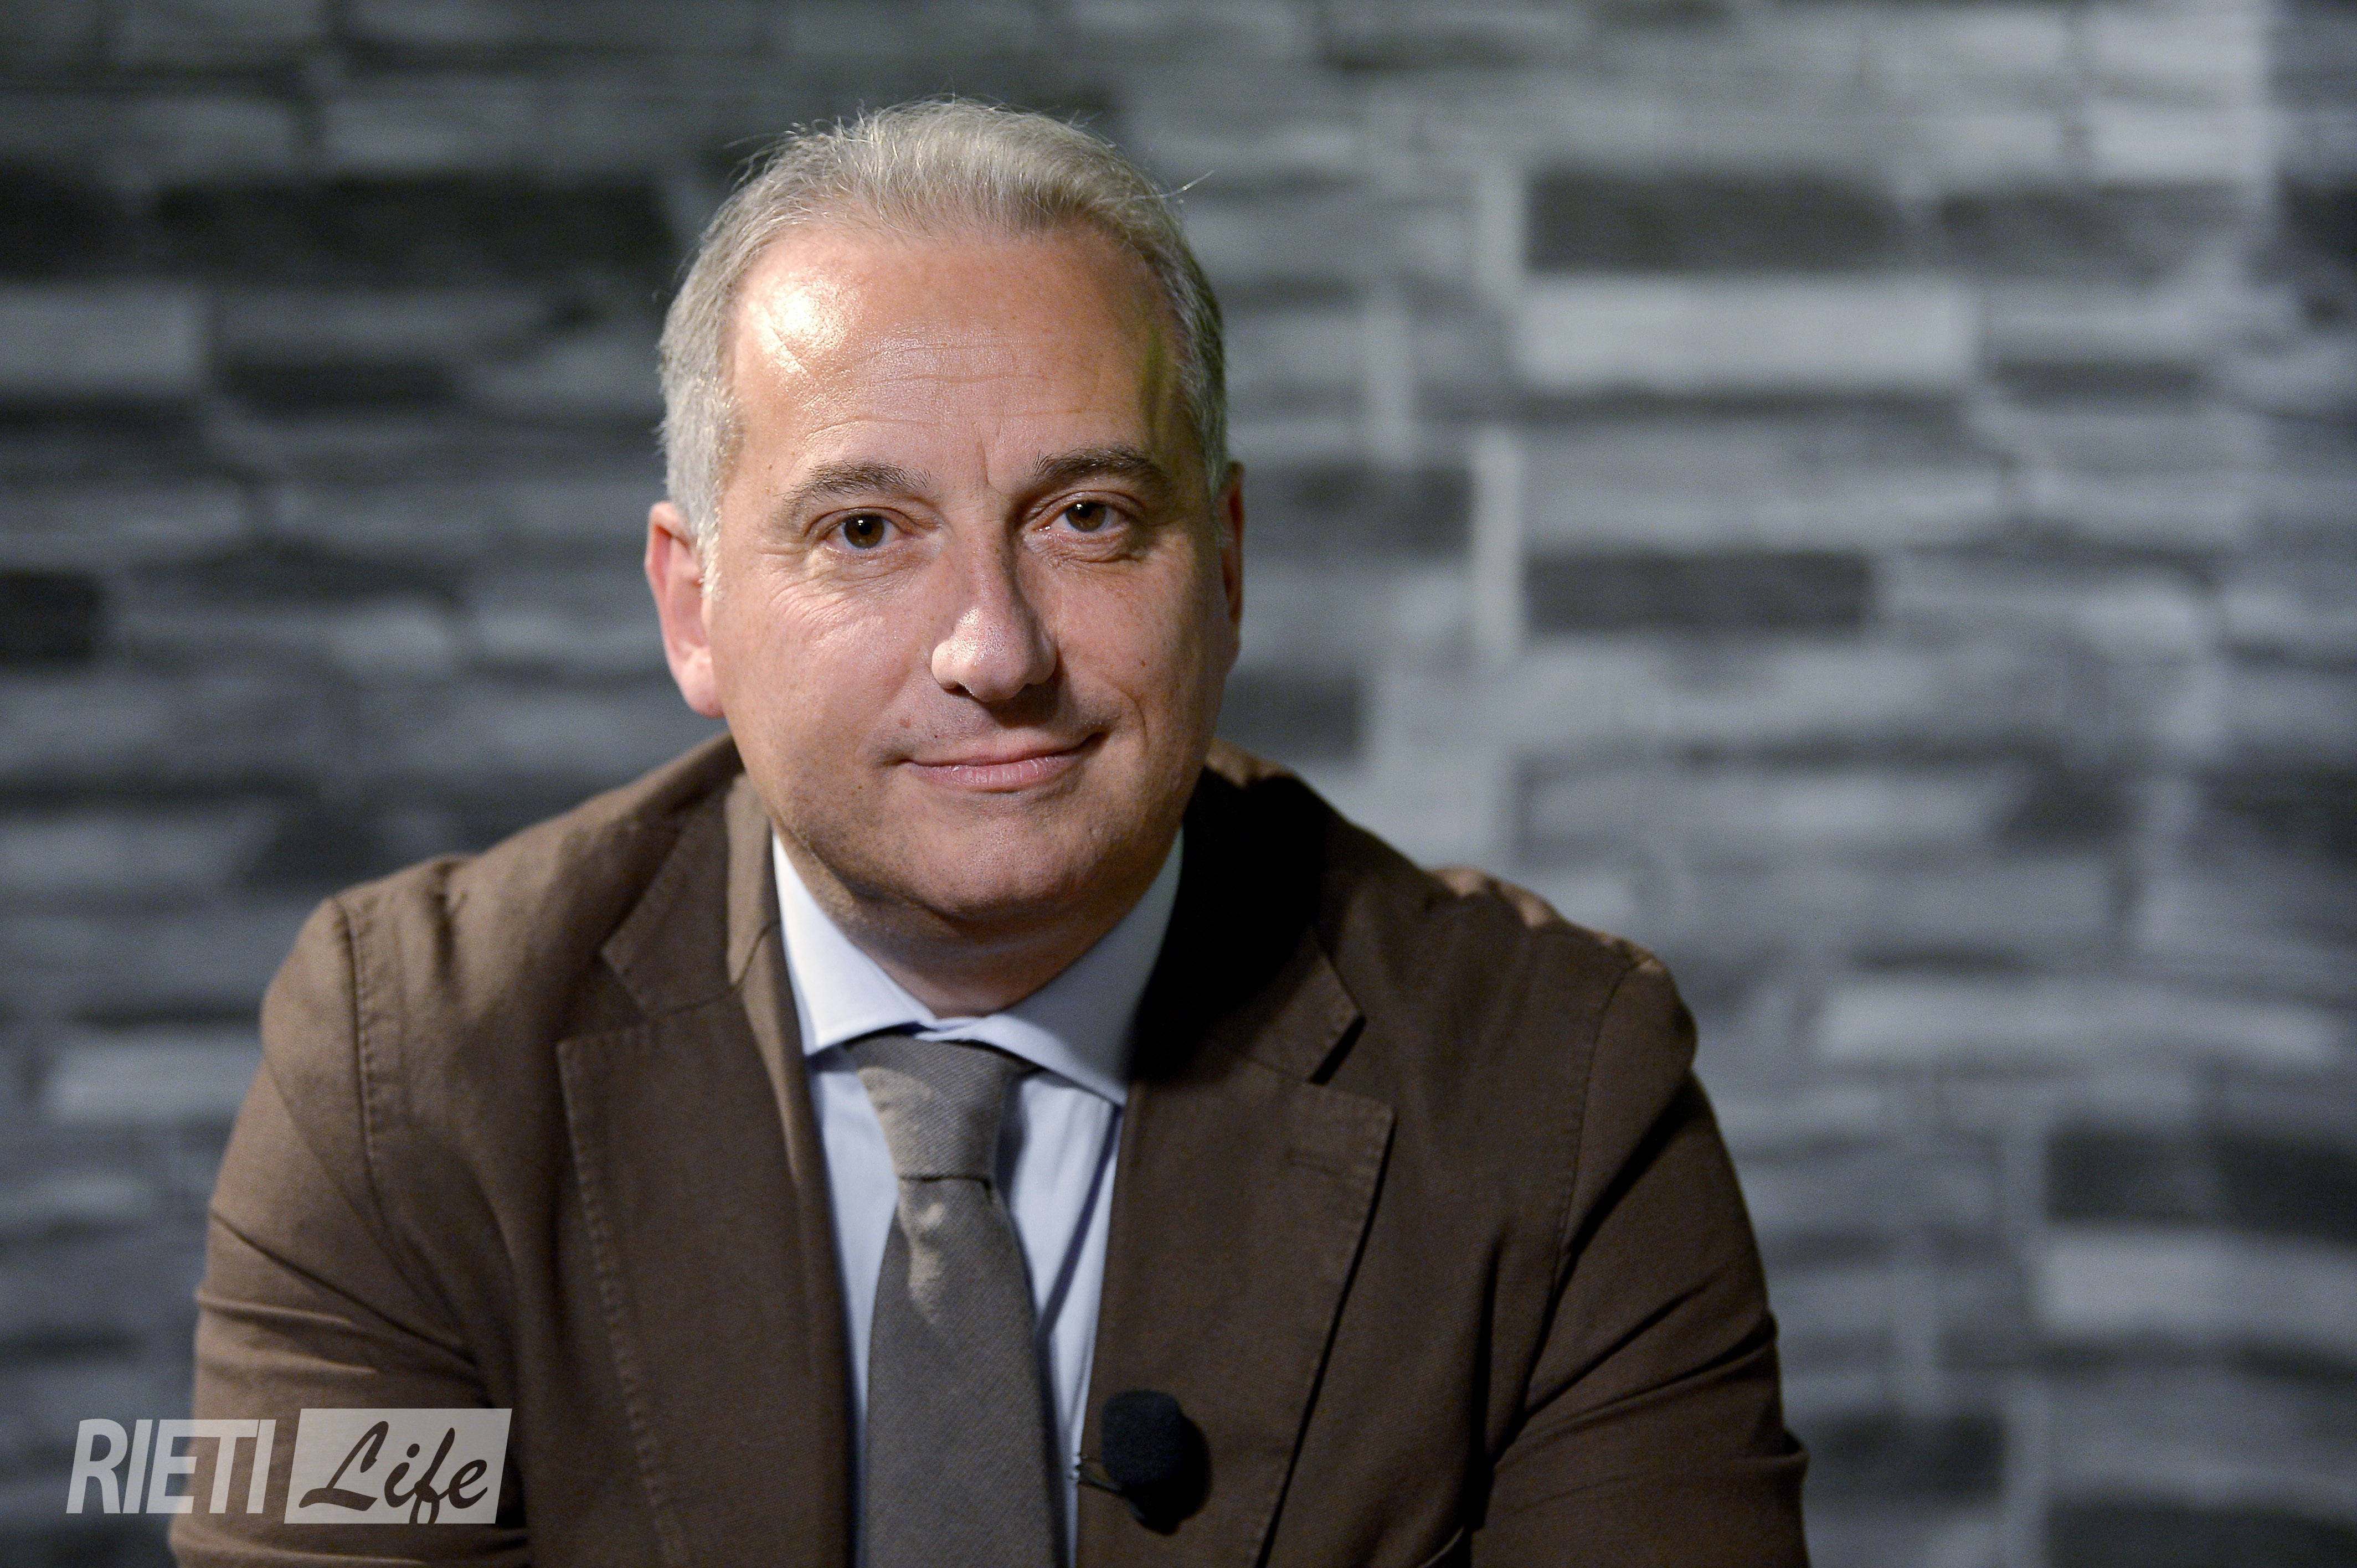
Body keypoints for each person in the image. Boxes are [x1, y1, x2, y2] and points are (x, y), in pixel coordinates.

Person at [176, 100, 1807, 1567]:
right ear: (694, 607)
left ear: (1225, 565)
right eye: (865, 530)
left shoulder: (1554, 1088)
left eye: (1088, 518)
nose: (995, 650)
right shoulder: (408, 1064)